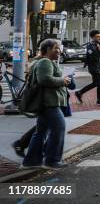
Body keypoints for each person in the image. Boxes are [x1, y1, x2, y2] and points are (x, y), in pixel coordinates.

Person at [21, 39, 72, 169]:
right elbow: (45, 80)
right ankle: (52, 160)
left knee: (41, 132)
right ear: (48, 49)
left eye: (59, 48)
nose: (59, 51)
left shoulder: (44, 62)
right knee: (58, 128)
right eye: (56, 48)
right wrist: (62, 80)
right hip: (49, 103)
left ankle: (31, 161)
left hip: (46, 103)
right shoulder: (45, 62)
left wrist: (66, 79)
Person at [75, 30, 100, 106]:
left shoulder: (98, 44)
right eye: (97, 36)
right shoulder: (90, 46)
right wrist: (99, 50)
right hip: (93, 67)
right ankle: (99, 100)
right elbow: (92, 56)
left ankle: (79, 93)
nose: (99, 38)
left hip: (97, 66)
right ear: (93, 37)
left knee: (95, 83)